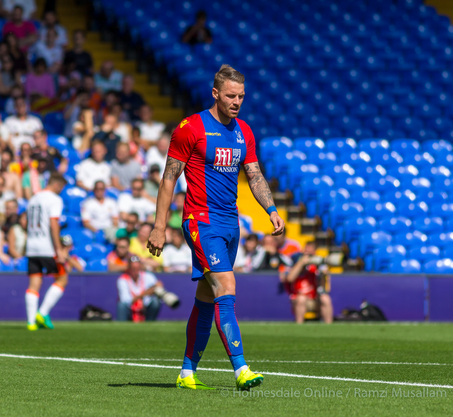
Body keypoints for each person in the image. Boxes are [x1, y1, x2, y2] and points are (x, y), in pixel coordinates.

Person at [146, 65, 285, 390]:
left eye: (241, 97)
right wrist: (159, 226)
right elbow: (169, 178)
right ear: (215, 93)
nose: (237, 102)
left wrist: (272, 209)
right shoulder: (190, 127)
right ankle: (241, 370)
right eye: (231, 96)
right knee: (227, 286)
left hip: (230, 224)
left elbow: (254, 175)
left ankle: (186, 373)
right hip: (201, 221)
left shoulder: (244, 132)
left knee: (207, 298)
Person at [24, 173, 68, 331]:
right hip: (47, 247)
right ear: (56, 185)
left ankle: (30, 323)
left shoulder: (33, 198)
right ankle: (42, 313)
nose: (61, 191)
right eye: (61, 188)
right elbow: (53, 224)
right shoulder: (55, 199)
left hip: (31, 246)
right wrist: (59, 249)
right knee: (62, 279)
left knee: (34, 283)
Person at [281, 241, 333, 324]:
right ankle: (299, 325)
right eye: (306, 249)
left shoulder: (318, 263)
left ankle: (329, 327)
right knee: (301, 299)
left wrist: (323, 275)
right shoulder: (295, 260)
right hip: (298, 297)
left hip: (314, 298)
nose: (307, 253)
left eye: (310, 250)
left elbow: (325, 288)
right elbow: (290, 278)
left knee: (325, 298)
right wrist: (301, 263)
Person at [116, 256, 162, 322]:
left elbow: (157, 288)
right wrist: (144, 294)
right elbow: (126, 301)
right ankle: (121, 327)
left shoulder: (148, 276)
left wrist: (158, 287)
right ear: (128, 268)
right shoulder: (122, 280)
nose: (135, 271)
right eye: (133, 268)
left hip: (145, 309)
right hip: (130, 311)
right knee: (121, 305)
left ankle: (150, 324)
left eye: (137, 268)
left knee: (155, 302)